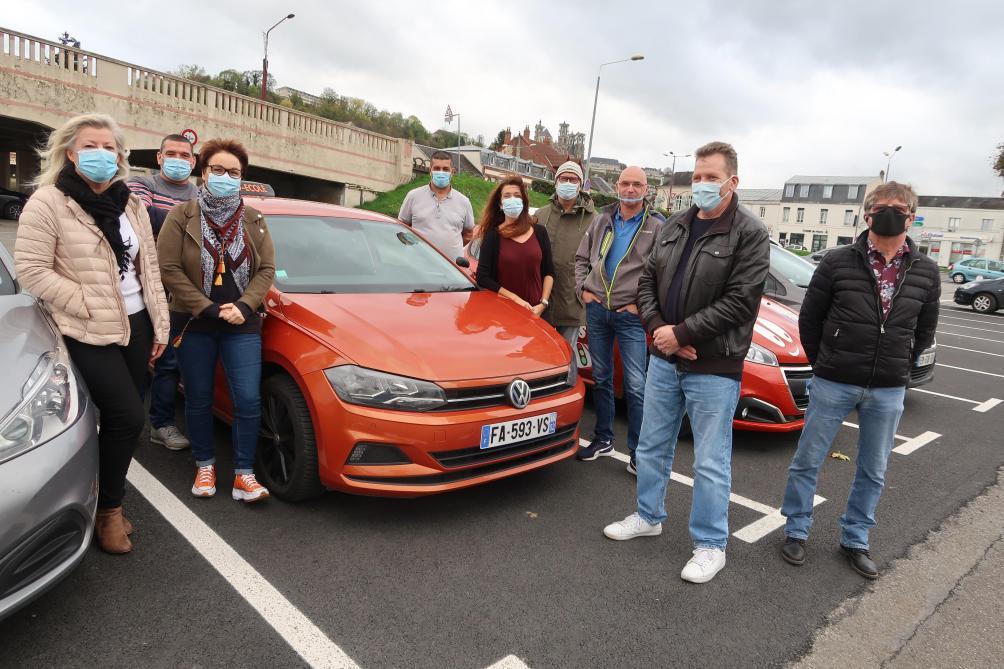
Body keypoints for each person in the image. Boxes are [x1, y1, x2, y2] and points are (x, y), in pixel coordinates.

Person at [602, 142, 769, 585]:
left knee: (711, 461)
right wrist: (662, 331)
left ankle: (711, 544)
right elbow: (646, 285)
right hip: (664, 358)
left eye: (711, 177)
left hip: (714, 366)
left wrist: (684, 334)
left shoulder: (749, 233)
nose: (701, 184)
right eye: (697, 176)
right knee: (652, 446)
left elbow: (740, 301)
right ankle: (648, 515)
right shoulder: (675, 225)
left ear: (733, 182)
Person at [15, 113, 170, 554]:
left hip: (136, 322)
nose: (102, 154)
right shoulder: (49, 202)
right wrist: (86, 301)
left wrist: (159, 324)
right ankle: (108, 512)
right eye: (91, 146)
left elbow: (149, 269)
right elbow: (31, 270)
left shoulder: (130, 203)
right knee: (127, 416)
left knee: (123, 420)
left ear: (120, 156)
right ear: (71, 152)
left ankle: (104, 496)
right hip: (84, 326)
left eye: (110, 147)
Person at [779, 181, 940, 579]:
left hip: (888, 386)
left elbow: (924, 330)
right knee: (808, 460)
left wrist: (899, 364)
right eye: (882, 206)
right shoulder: (836, 261)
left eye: (899, 207)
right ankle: (796, 530)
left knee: (874, 468)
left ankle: (856, 538)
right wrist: (825, 361)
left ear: (911, 215)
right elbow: (810, 320)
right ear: (867, 214)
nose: (890, 211)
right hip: (834, 380)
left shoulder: (925, 270)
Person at [157, 138, 276, 504]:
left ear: (243, 178)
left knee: (248, 399)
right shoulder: (182, 215)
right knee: (198, 397)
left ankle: (244, 473)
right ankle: (205, 464)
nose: (226, 177)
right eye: (219, 170)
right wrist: (206, 307)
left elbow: (267, 269)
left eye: (234, 172)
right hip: (196, 324)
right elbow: (169, 268)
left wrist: (245, 304)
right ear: (204, 172)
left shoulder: (254, 219)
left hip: (242, 325)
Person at [574, 166, 662, 472]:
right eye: (625, 183)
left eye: (637, 184)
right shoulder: (602, 220)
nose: (630, 189)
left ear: (646, 189)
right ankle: (603, 438)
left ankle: (638, 454)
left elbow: (662, 275)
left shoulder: (656, 227)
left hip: (630, 317)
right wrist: (582, 291)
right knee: (602, 378)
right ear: (616, 186)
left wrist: (641, 306)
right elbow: (582, 259)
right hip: (597, 311)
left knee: (637, 386)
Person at [128, 134, 199, 452]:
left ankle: (161, 424)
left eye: (184, 155)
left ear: (193, 162)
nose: (178, 159)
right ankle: (123, 422)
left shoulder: (201, 194)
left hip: (178, 292)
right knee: (133, 358)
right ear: (159, 158)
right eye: (171, 153)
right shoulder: (141, 185)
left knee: (168, 361)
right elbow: (139, 222)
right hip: (138, 287)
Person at [537, 161, 595, 379]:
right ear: (556, 181)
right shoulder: (541, 215)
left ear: (580, 184)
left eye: (573, 179)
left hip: (572, 303)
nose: (568, 183)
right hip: (540, 300)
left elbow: (598, 262)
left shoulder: (593, 220)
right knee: (538, 358)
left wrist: (585, 292)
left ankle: (566, 406)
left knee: (566, 361)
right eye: (564, 178)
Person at [475, 176, 554, 314]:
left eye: (517, 195)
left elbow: (549, 271)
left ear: (523, 201)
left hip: (536, 312)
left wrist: (543, 303)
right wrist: (515, 299)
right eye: (507, 196)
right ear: (500, 204)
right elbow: (483, 277)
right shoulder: (493, 235)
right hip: (505, 311)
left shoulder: (539, 232)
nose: (512, 199)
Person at [398, 150, 476, 263]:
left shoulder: (464, 202)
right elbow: (402, 226)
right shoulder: (413, 196)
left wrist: (449, 248)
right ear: (430, 171)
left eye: (445, 169)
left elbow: (468, 234)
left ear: (452, 172)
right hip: (417, 264)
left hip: (451, 269)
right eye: (437, 168)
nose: (441, 172)